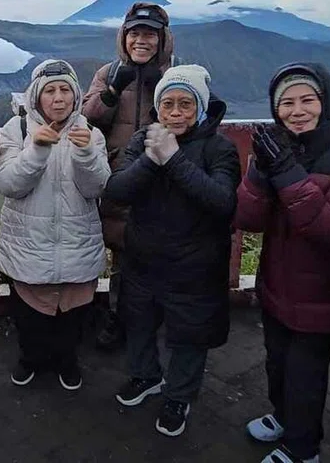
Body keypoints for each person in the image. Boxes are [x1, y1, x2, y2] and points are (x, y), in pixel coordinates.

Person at [234, 62, 330, 463]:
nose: (297, 111)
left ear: (325, 103)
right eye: (287, 103)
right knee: (277, 363)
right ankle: (283, 418)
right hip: (277, 283)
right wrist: (261, 173)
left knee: (305, 376)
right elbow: (247, 219)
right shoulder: (274, 150)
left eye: (307, 100)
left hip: (325, 295)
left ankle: (303, 449)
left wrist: (285, 171)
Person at [103, 65, 240, 438]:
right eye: (168, 104)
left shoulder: (219, 148)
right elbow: (117, 190)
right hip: (144, 260)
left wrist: (173, 159)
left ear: (201, 107)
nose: (176, 112)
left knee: (189, 337)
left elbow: (222, 202)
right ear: (157, 108)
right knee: (139, 324)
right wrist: (151, 159)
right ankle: (145, 376)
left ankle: (179, 395)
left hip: (195, 267)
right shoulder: (143, 140)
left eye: (185, 104)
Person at [0, 59, 111, 390]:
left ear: (76, 96)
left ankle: (67, 360)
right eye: (49, 91)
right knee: (28, 313)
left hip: (77, 241)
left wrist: (86, 153)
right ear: (36, 96)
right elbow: (8, 184)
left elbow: (97, 188)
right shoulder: (16, 130)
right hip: (28, 243)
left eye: (65, 90)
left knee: (73, 313)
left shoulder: (91, 134)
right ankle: (30, 358)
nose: (58, 98)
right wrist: (37, 150)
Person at [81, 2, 175, 351]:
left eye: (149, 34)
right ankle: (120, 322)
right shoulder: (108, 73)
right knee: (122, 255)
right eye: (135, 33)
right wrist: (111, 92)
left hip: (160, 182)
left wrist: (163, 88)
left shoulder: (174, 74)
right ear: (124, 37)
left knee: (156, 255)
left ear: (162, 39)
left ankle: (150, 322)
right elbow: (87, 118)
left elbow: (193, 118)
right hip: (118, 179)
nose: (141, 41)